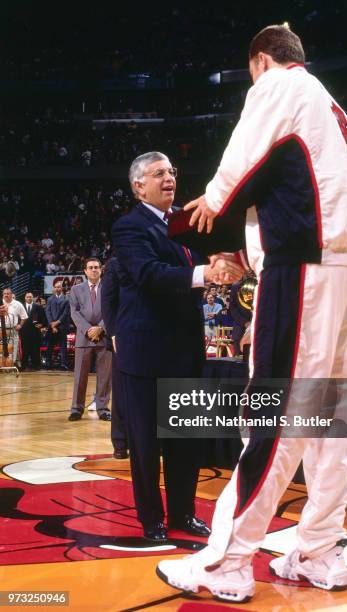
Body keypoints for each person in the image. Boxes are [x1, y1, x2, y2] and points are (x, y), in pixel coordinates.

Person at [157, 24, 347, 602]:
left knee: (274, 414)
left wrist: (213, 197)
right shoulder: (330, 103)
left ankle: (228, 560)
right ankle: (320, 550)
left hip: (302, 267)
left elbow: (240, 166)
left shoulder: (279, 86)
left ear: (260, 61)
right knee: (330, 423)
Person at [112, 151, 243, 542]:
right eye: (158, 173)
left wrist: (224, 260)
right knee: (147, 446)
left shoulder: (184, 223)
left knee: (185, 442)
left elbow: (214, 254)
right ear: (139, 187)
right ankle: (151, 519)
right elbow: (149, 274)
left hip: (186, 351)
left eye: (171, 171)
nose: (169, 177)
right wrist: (205, 272)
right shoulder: (128, 227)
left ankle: (184, 513)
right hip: (145, 353)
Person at [68, 258, 112, 421]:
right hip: (83, 337)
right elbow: (74, 312)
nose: (94, 270)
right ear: (85, 271)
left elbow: (112, 309)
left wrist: (100, 327)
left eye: (96, 267)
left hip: (104, 335)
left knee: (105, 376)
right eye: (90, 268)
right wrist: (88, 329)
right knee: (80, 375)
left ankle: (102, 408)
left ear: (101, 270)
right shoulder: (76, 289)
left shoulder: (109, 288)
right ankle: (76, 409)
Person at [100, 256, 128, 457]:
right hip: (123, 337)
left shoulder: (157, 259)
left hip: (153, 336)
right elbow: (108, 301)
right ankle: (120, 442)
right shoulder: (116, 264)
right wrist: (113, 333)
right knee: (121, 392)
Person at [45, 282, 70, 370]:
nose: (57, 289)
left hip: (62, 326)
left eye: (59, 287)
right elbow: (48, 312)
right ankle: (48, 363)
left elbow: (65, 313)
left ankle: (64, 364)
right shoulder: (50, 299)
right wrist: (52, 324)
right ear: (54, 288)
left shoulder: (66, 299)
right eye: (56, 287)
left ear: (62, 288)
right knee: (50, 345)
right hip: (52, 326)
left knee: (63, 345)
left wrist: (57, 322)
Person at [21, 292, 47, 370]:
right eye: (27, 297)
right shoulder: (21, 306)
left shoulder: (38, 307)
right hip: (24, 331)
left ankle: (36, 365)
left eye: (30, 297)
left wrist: (41, 325)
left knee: (35, 349)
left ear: (33, 298)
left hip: (35, 331)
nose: (29, 298)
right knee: (25, 349)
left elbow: (43, 319)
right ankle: (24, 365)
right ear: (25, 298)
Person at [1, 287, 27, 365]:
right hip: (0, 330)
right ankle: (2, 365)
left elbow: (24, 316)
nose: (6, 295)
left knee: (13, 348)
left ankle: (11, 365)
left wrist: (20, 325)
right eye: (4, 294)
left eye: (8, 294)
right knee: (1, 348)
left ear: (11, 294)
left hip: (13, 329)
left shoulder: (17, 304)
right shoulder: (0, 303)